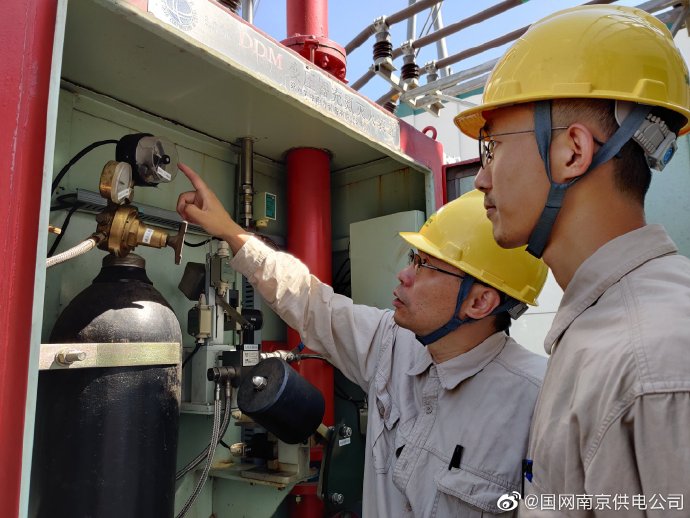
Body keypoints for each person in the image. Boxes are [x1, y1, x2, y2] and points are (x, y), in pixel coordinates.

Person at [176, 162, 548, 517]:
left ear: (479, 302)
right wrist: (230, 230)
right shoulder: (393, 342)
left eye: (424, 266)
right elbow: (310, 301)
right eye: (413, 258)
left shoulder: (539, 402)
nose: (404, 275)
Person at [454, 5, 690, 516]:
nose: (481, 179)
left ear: (573, 151)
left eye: (493, 147)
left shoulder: (653, 361)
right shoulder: (604, 331)